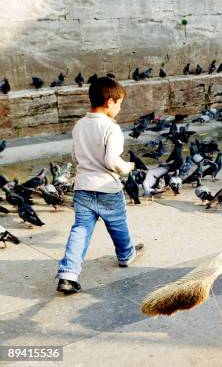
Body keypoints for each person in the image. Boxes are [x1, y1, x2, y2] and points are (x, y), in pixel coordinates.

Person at [56, 77, 143, 294]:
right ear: (109, 102)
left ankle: (68, 275)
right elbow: (111, 161)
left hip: (83, 188)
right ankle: (126, 255)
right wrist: (127, 167)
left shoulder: (79, 125)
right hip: (107, 188)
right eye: (120, 103)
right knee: (118, 224)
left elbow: (75, 158)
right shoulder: (111, 128)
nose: (120, 108)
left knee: (80, 230)